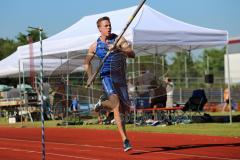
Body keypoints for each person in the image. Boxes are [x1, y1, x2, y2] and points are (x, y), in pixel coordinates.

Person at [84, 16, 135, 152]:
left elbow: (132, 54)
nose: (109, 27)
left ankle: (101, 104)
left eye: (109, 25)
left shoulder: (119, 39)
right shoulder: (95, 46)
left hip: (121, 78)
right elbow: (86, 62)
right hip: (107, 77)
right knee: (116, 106)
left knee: (126, 109)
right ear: (99, 29)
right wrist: (90, 76)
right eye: (105, 26)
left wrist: (118, 49)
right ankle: (125, 140)